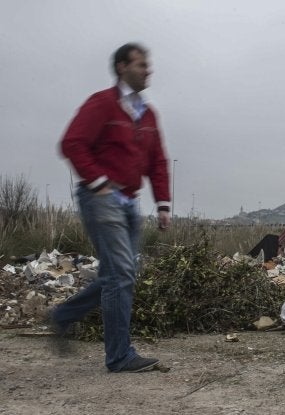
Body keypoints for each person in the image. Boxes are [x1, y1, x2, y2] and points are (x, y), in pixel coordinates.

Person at [53, 43, 171, 373]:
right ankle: (119, 356)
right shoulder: (102, 104)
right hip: (101, 198)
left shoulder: (147, 115)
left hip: (130, 204)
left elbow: (157, 161)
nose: (148, 69)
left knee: (117, 275)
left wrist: (163, 203)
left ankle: (63, 315)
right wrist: (98, 181)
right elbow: (72, 143)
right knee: (121, 274)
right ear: (121, 67)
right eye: (140, 64)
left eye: (148, 64)